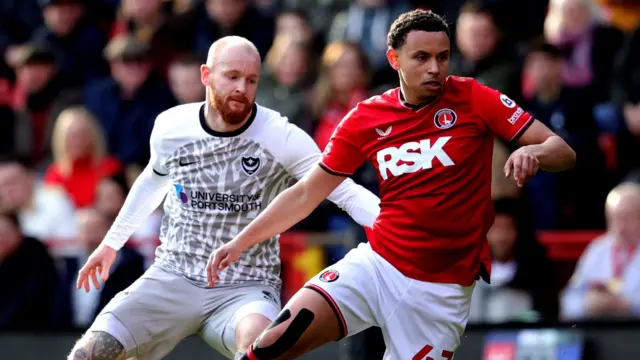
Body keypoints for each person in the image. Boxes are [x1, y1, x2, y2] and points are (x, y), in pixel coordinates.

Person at [208, 10, 577, 360]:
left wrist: (536, 154)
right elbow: (306, 192)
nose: (435, 68)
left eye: (443, 57)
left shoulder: (474, 97)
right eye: (421, 57)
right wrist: (242, 241)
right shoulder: (366, 118)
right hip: (378, 264)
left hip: (441, 291)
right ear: (394, 59)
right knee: (274, 342)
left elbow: (562, 150)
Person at [67, 36, 380, 360]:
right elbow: (152, 181)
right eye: (232, 77)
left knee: (262, 347)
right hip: (173, 275)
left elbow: (344, 192)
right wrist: (110, 243)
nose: (242, 88)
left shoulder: (279, 135)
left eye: (251, 80)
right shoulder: (171, 127)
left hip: (246, 286)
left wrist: (402, 228)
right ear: (206, 75)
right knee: (87, 354)